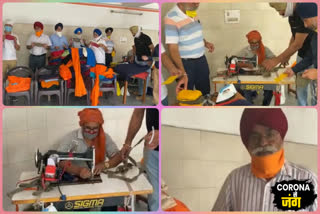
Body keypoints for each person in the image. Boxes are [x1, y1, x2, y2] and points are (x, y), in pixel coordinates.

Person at [212, 108, 317, 211]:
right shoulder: (234, 180)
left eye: (270, 135)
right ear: (247, 143)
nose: (263, 143)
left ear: (282, 138)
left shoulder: (308, 180)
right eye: (254, 136)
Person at [265, 3, 315, 106]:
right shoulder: (292, 17)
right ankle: (303, 111)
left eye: (279, 10)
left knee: (315, 91)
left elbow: (297, 44)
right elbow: (294, 37)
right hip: (304, 57)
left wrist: (276, 60)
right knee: (301, 88)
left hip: (313, 58)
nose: (280, 14)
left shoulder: (304, 14)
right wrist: (289, 59)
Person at [57, 108, 123, 179]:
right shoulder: (71, 138)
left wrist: (105, 165)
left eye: (95, 128)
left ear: (99, 127)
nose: (91, 132)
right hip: (74, 177)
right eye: (88, 128)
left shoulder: (104, 137)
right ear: (82, 126)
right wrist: (78, 170)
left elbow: (118, 157)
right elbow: (60, 161)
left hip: (99, 177)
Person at [164, 3, 214, 96]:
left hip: (201, 60)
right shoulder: (171, 18)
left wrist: (205, 43)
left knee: (205, 93)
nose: (196, 3)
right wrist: (183, 72)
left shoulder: (192, 11)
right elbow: (172, 48)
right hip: (185, 63)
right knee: (186, 95)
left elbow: (196, 33)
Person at [120, 109, 159, 211]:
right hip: (151, 149)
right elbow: (138, 113)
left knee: (163, 198)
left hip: (170, 147)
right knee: (155, 197)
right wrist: (128, 143)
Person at [284, 3, 317, 105]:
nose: (305, 25)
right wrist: (294, 70)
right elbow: (309, 57)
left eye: (306, 20)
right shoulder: (315, 36)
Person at [237, 30, 275, 106]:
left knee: (269, 89)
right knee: (245, 88)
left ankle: (265, 106)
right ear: (249, 42)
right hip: (249, 76)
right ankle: (250, 107)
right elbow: (237, 62)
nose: (254, 44)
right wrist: (246, 65)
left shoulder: (265, 49)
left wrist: (266, 62)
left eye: (256, 42)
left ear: (259, 41)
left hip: (262, 76)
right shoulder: (245, 51)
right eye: (252, 43)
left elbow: (274, 58)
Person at [129, 26, 154, 100]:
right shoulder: (136, 38)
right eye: (132, 34)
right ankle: (140, 92)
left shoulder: (146, 38)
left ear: (138, 31)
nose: (133, 35)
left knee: (145, 78)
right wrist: (133, 57)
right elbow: (135, 48)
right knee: (139, 77)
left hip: (145, 62)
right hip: (138, 60)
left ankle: (143, 95)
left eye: (134, 33)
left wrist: (150, 60)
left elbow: (152, 48)